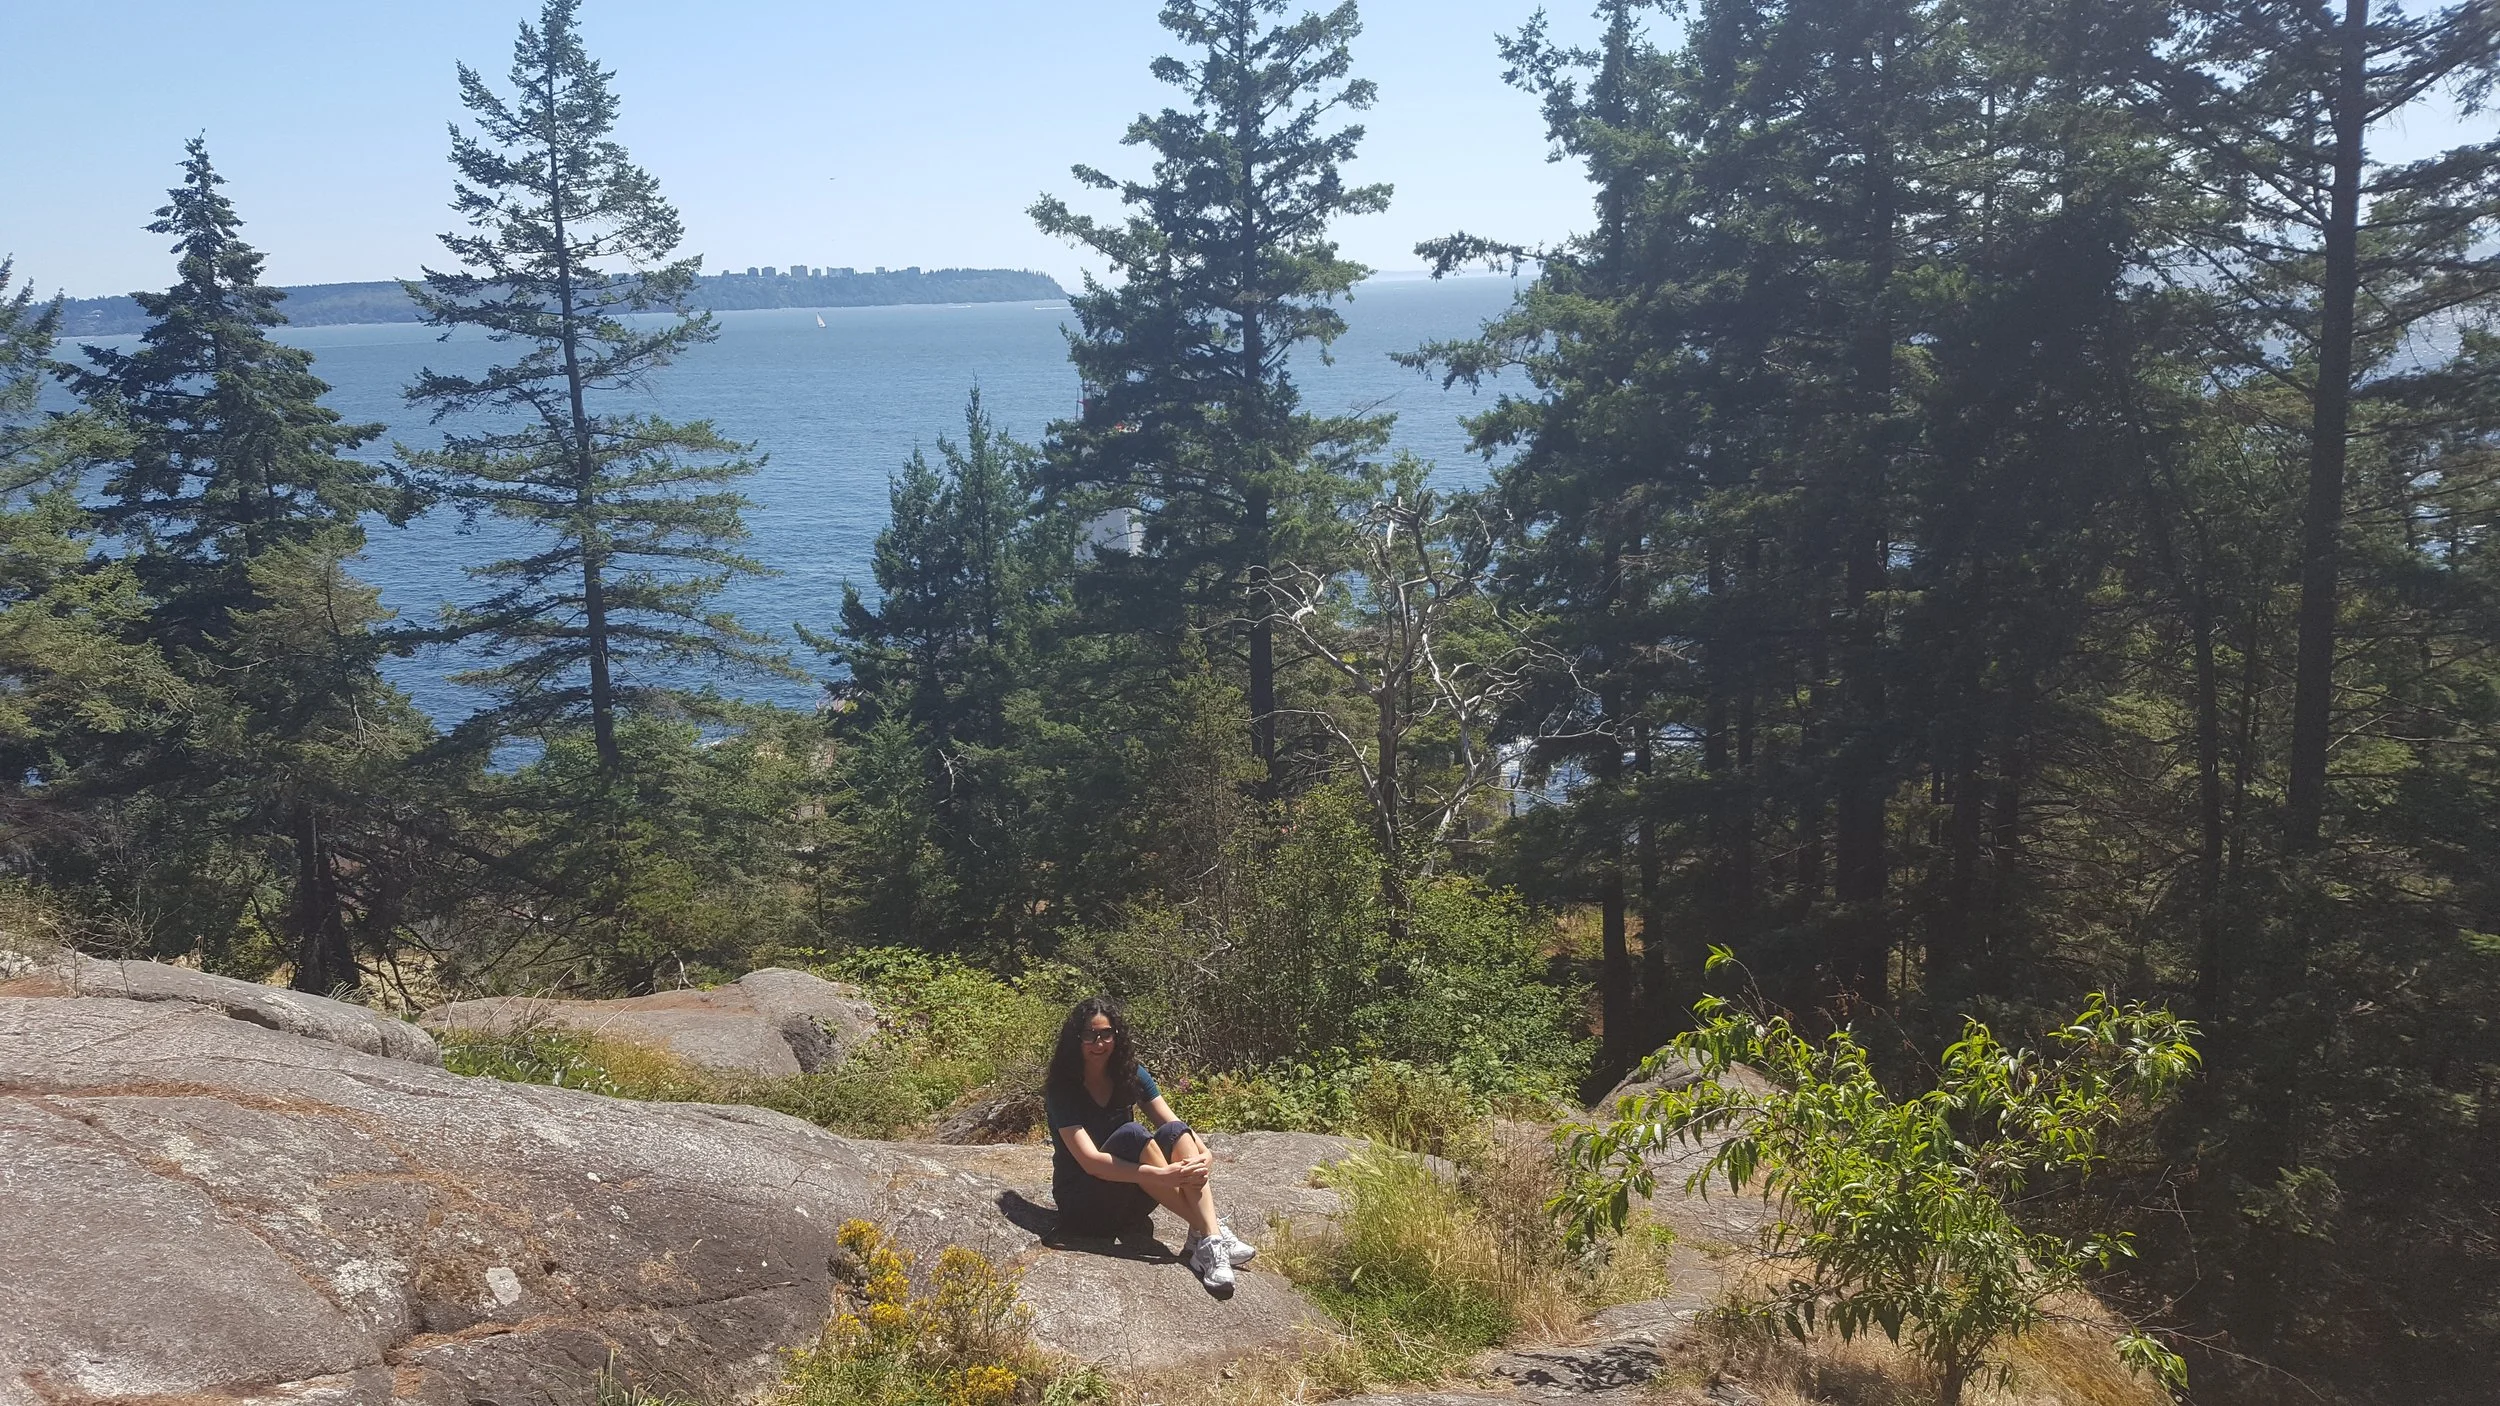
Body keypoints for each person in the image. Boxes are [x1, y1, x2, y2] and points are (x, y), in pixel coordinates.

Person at [1043, 996, 1256, 1290]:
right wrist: (1160, 1174)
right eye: (1089, 1035)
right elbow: (1090, 1162)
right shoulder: (1062, 1089)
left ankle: (1205, 1239)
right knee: (1133, 1134)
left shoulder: (1129, 1072)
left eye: (1106, 1034)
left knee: (1176, 1132)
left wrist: (1204, 1154)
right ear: (1075, 1039)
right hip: (1086, 1206)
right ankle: (1211, 1232)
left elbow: (1171, 1122)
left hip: (1131, 1200)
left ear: (1116, 1036)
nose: (1099, 1043)